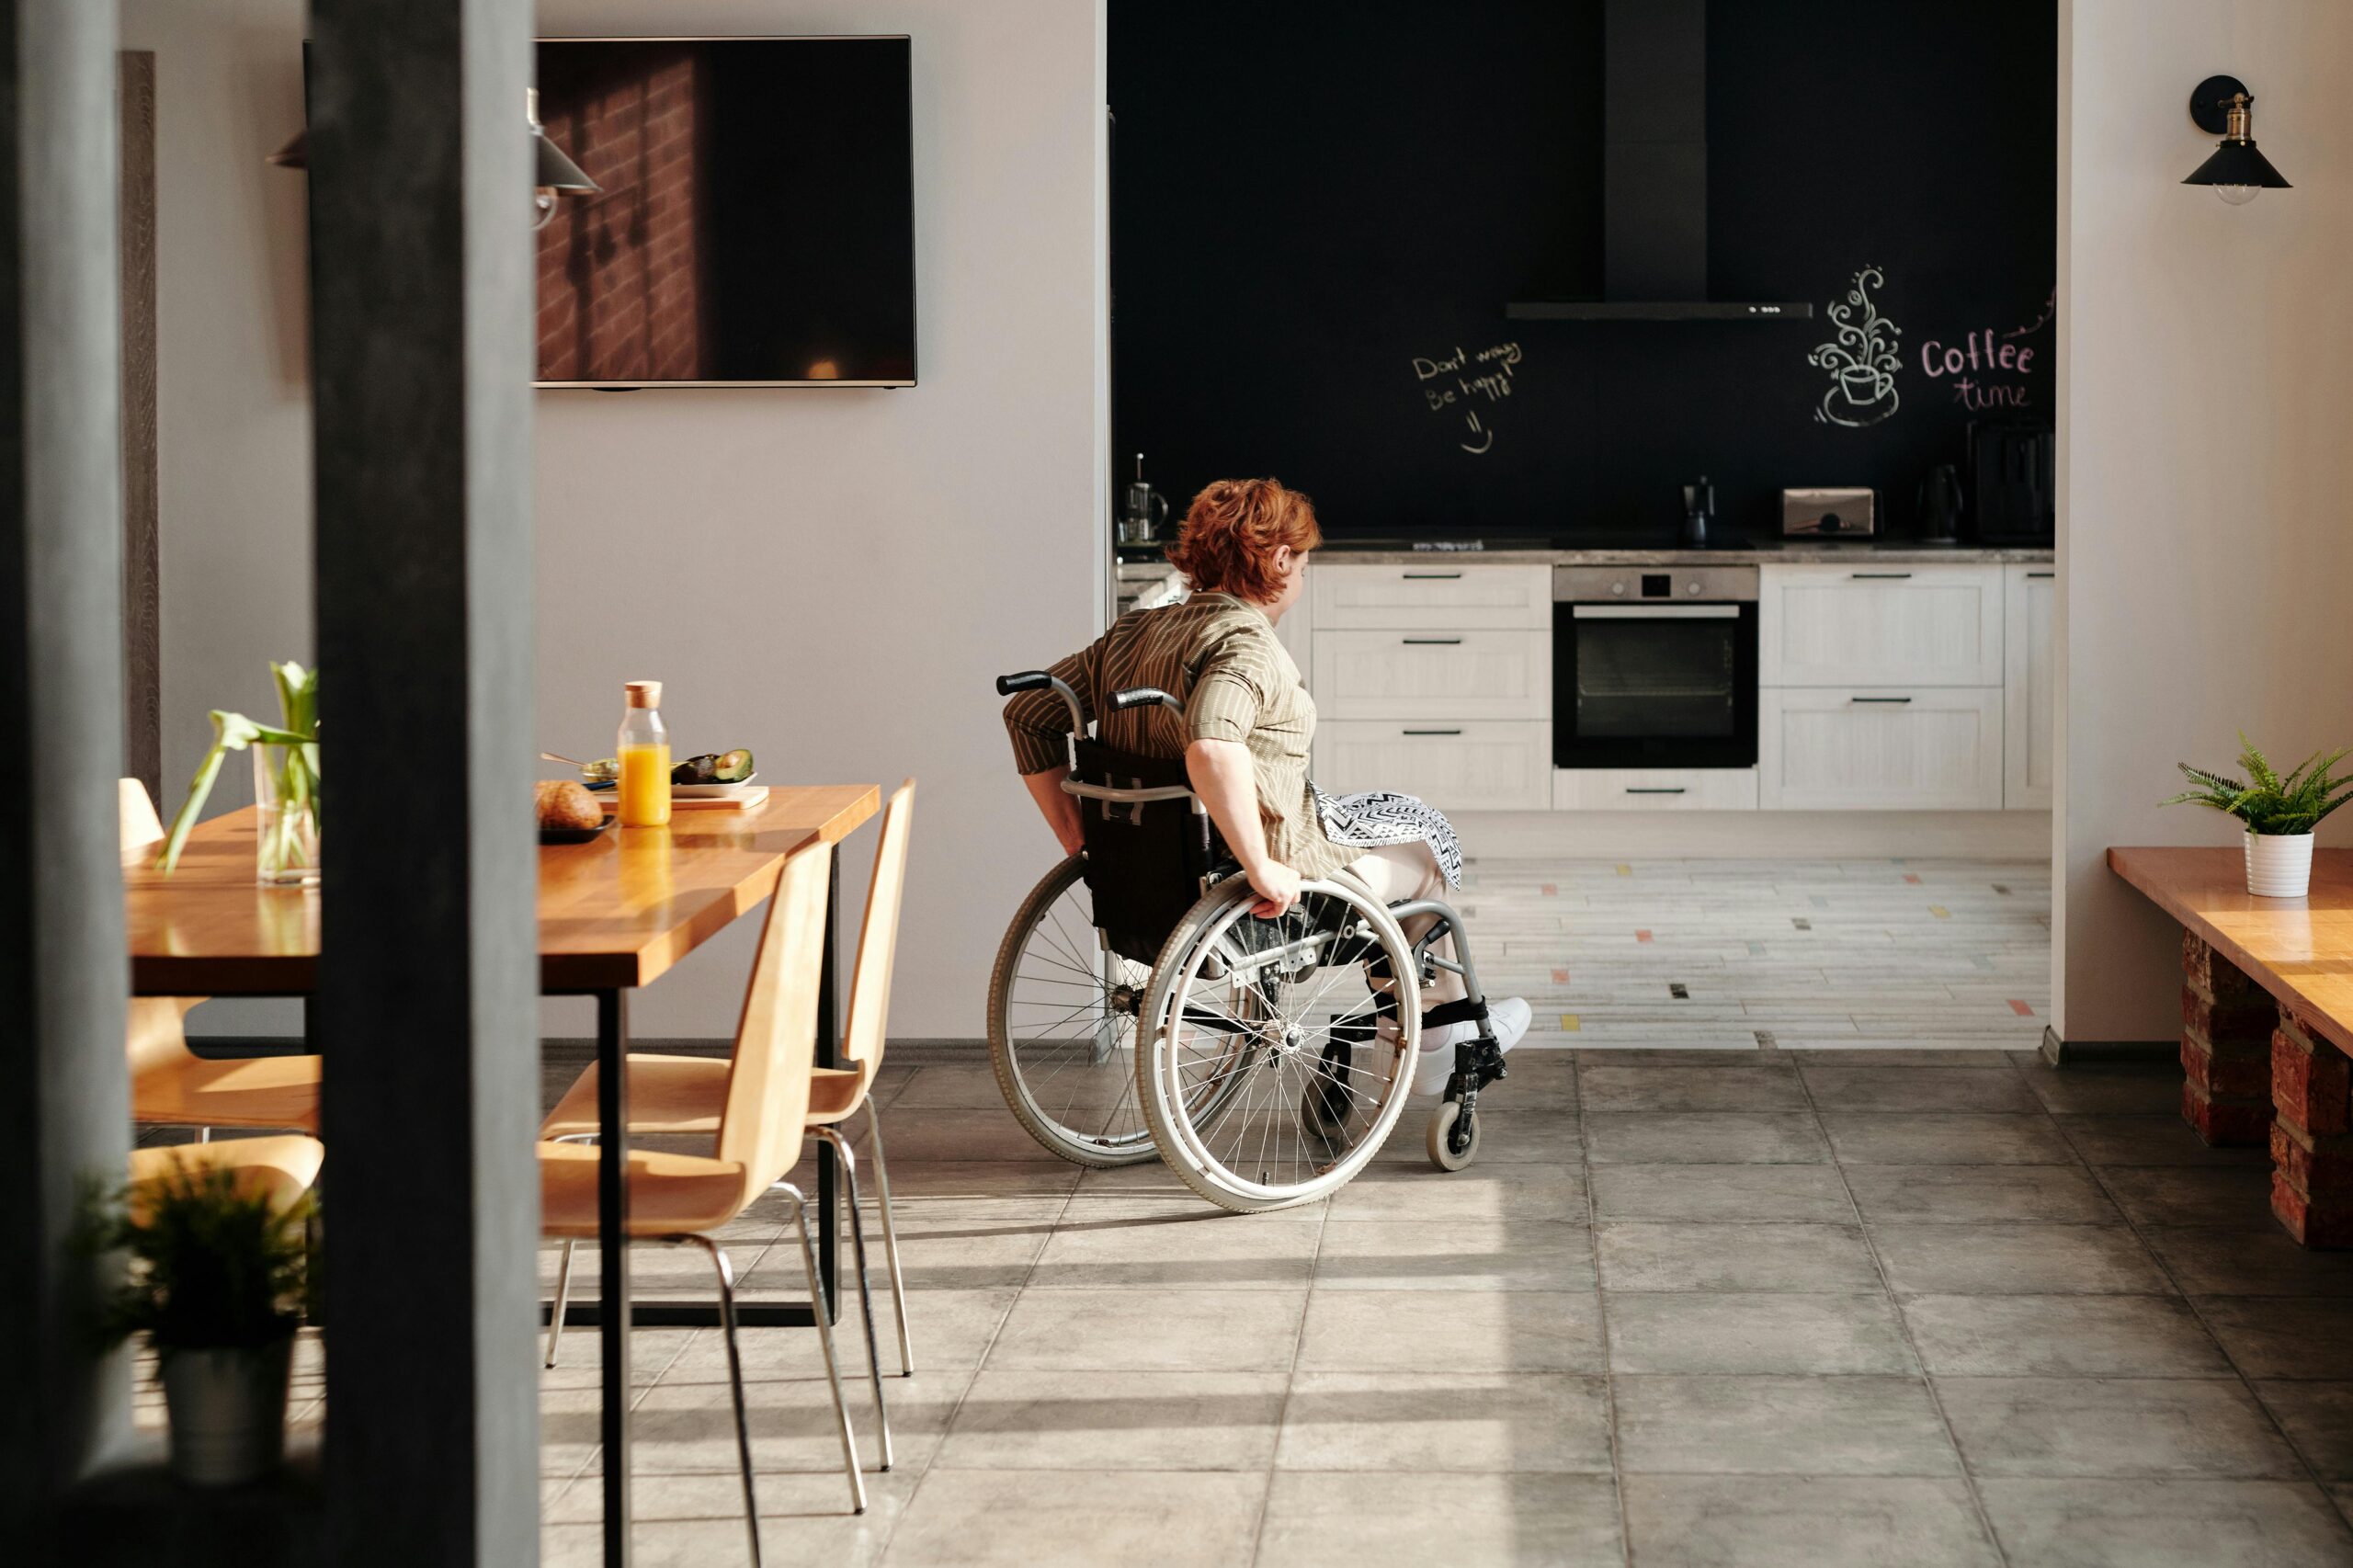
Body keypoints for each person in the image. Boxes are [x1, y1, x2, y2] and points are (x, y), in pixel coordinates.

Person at [1002, 476, 1530, 1094]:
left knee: (1398, 814)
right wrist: (1260, 867)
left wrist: (1078, 836)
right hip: (1263, 870)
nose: (1302, 574)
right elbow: (1211, 744)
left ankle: (1417, 1022)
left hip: (1157, 871)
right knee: (1425, 853)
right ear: (1280, 559)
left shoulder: (1131, 635)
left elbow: (1029, 713)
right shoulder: (1246, 644)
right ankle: (1433, 1038)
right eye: (1303, 560)